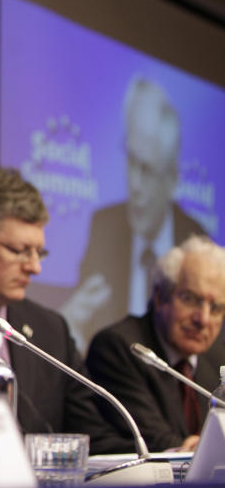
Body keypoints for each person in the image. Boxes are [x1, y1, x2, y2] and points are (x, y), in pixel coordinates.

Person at [0, 164, 130, 454]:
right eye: (20, 251)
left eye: (39, 252)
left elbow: (92, 436)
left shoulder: (50, 330)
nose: (35, 267)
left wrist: (167, 458)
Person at [66, 76, 205, 350]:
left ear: (172, 179)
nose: (135, 185)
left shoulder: (197, 244)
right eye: (131, 161)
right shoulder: (103, 225)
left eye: (148, 171)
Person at [86, 235, 225, 452]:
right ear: (160, 297)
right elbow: (153, 439)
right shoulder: (120, 347)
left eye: (216, 308)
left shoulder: (219, 359)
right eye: (190, 299)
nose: (203, 319)